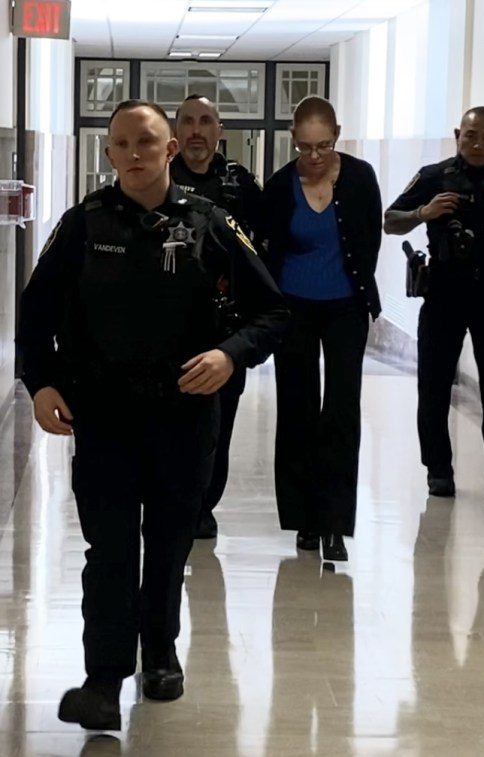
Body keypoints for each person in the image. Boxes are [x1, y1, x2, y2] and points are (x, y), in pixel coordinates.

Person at [16, 100, 287, 731]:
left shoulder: (209, 224)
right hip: (104, 414)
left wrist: (229, 353)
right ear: (107, 154)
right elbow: (35, 317)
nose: (134, 154)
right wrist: (41, 383)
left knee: (168, 543)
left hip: (184, 414)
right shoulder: (82, 225)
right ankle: (104, 679)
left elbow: (271, 312)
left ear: (171, 151)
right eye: (122, 144)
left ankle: (161, 653)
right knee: (108, 548)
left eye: (147, 142)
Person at [384, 106, 484, 510]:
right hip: (444, 294)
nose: (477, 143)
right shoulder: (434, 176)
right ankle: (438, 469)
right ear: (458, 133)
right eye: (470, 135)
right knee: (434, 386)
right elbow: (390, 221)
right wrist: (424, 212)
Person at [260, 96, 382, 562]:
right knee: (298, 409)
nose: (315, 156)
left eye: (324, 146)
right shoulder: (279, 187)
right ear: (293, 139)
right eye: (306, 147)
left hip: (346, 307)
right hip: (293, 308)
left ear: (338, 136)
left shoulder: (360, 177)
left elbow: (369, 239)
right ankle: (304, 519)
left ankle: (336, 524)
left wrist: (355, 291)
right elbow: (267, 252)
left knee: (341, 411)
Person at [171, 94, 262, 539]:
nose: (195, 130)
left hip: (224, 331)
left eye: (205, 121)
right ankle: (173, 503)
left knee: (218, 427)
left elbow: (267, 247)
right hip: (167, 330)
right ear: (175, 131)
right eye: (187, 121)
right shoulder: (159, 178)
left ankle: (205, 507)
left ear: (219, 130)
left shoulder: (240, 187)